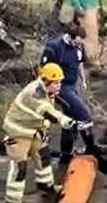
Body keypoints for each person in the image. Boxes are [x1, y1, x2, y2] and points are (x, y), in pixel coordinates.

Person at [2, 64, 83, 203]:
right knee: (20, 167)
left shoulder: (48, 91)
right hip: (18, 132)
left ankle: (46, 188)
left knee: (44, 158)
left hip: (36, 131)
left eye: (60, 82)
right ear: (46, 81)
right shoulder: (35, 93)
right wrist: (67, 122)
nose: (59, 86)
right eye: (56, 83)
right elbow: (47, 112)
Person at [39, 23, 100, 165]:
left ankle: (66, 154)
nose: (78, 45)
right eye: (76, 41)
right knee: (84, 114)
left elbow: (79, 63)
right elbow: (43, 68)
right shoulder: (55, 47)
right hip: (60, 86)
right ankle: (91, 148)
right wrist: (48, 88)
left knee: (69, 118)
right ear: (70, 38)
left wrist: (83, 80)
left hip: (73, 85)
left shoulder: (78, 47)